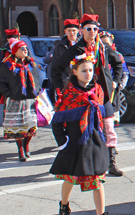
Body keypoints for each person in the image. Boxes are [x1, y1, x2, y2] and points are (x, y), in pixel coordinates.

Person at [50, 54, 117, 215]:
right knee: (70, 178)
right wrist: (63, 142)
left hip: (94, 142)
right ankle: (64, 206)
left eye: (90, 70)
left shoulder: (98, 91)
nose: (88, 74)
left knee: (98, 180)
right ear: (74, 72)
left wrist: (104, 138)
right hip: (75, 143)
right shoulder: (68, 95)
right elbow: (56, 121)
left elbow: (102, 117)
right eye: (83, 71)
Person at [50, 13, 124, 177]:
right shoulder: (75, 50)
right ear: (82, 31)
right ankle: (82, 162)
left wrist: (115, 81)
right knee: (85, 130)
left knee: (109, 129)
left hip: (102, 95)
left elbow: (118, 63)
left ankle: (111, 162)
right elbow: (55, 69)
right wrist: (61, 89)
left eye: (95, 29)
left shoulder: (103, 48)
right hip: (82, 97)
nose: (92, 32)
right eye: (88, 29)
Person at [0, 39, 38, 161]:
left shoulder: (30, 64)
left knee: (31, 125)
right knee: (17, 128)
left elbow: (37, 78)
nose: (25, 51)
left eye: (26, 48)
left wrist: (38, 92)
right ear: (15, 51)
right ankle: (20, 150)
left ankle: (27, 146)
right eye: (22, 49)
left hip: (30, 100)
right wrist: (9, 94)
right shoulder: (8, 66)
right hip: (15, 100)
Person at [44, 18, 80, 104]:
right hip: (66, 81)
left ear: (78, 31)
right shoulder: (60, 46)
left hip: (80, 79)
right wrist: (63, 80)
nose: (72, 33)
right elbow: (56, 66)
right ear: (65, 32)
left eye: (74, 30)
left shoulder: (81, 44)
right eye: (69, 31)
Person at [99, 31, 129, 126]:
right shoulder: (97, 53)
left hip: (113, 84)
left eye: (107, 43)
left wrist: (120, 83)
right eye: (102, 42)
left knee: (114, 102)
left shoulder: (118, 55)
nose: (105, 45)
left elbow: (123, 71)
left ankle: (114, 120)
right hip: (101, 84)